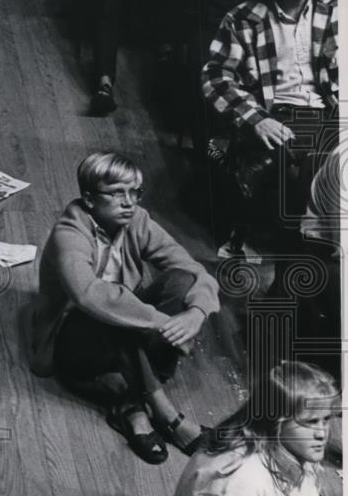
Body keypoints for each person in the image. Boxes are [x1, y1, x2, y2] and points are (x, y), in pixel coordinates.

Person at [29, 153, 221, 464]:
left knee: (181, 281)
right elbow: (88, 294)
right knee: (110, 306)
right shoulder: (69, 232)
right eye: (118, 193)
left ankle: (131, 397)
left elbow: (193, 269)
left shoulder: (138, 220)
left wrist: (196, 313)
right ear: (89, 199)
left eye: (135, 192)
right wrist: (159, 322)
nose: (129, 203)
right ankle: (162, 411)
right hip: (76, 339)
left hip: (124, 332)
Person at [201, 0, 338, 240]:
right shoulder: (243, 18)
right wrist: (257, 120)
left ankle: (262, 169)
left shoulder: (335, 10)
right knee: (315, 162)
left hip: (329, 112)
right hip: (279, 114)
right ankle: (301, 244)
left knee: (326, 152)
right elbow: (215, 77)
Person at [170, 361, 340, 496]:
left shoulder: (300, 449)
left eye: (325, 419)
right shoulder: (241, 483)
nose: (322, 433)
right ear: (276, 422)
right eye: (310, 422)